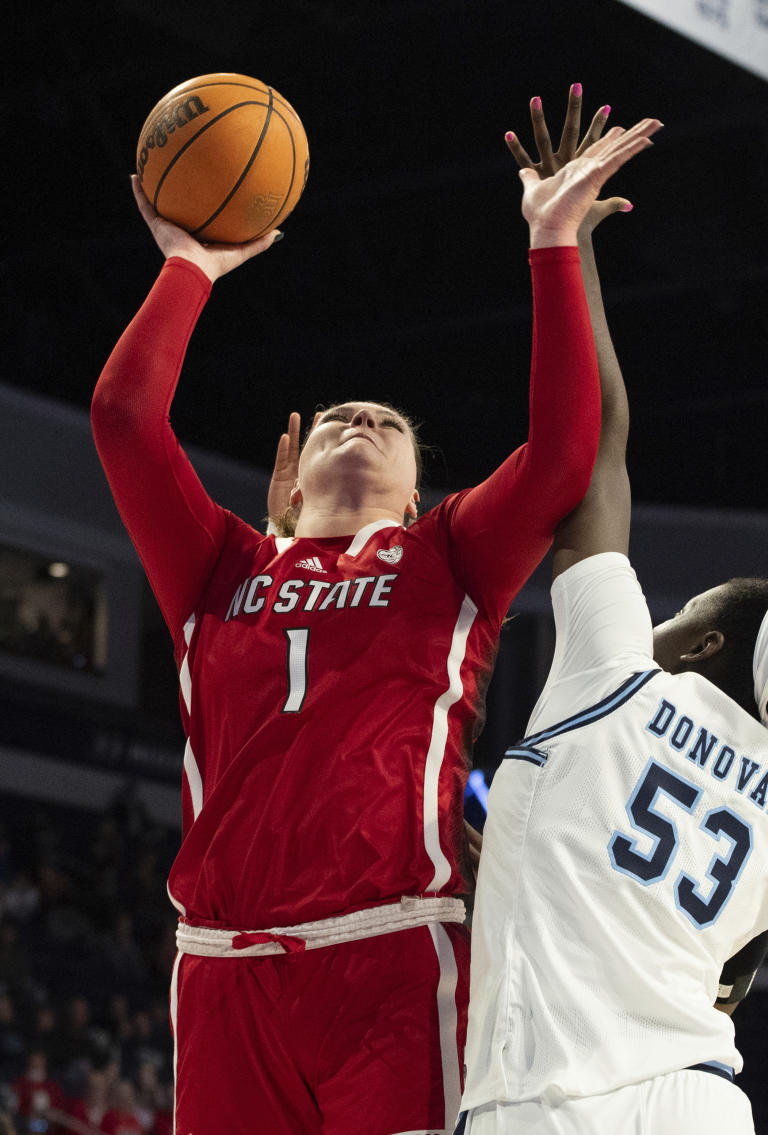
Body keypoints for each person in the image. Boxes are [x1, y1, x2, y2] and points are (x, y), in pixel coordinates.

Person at [91, 109, 660, 1135]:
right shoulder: (219, 565)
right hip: (225, 971)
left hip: (396, 960)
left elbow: (568, 450)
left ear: (412, 496)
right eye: (341, 419)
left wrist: (551, 242)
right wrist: (190, 268)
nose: (361, 423)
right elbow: (125, 418)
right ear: (289, 477)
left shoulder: (445, 555)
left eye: (389, 426)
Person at [460, 90, 768, 1135]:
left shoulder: (620, 667)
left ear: (705, 640)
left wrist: (563, 239)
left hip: (557, 1101)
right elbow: (723, 984)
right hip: (700, 1101)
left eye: (685, 611)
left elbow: (598, 440)